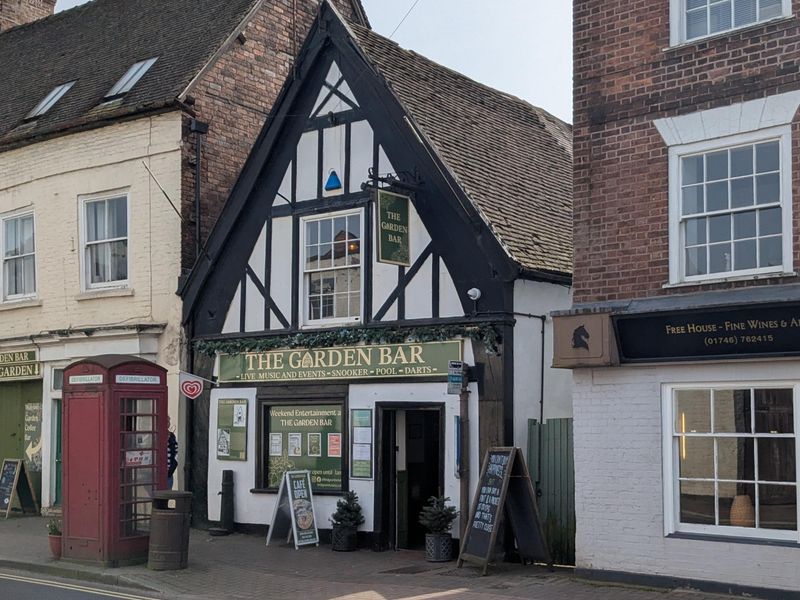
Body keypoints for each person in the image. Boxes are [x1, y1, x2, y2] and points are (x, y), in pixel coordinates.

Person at [167, 417, 178, 490]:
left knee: (166, 497)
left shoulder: (171, 437)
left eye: (168, 421)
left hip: (167, 475)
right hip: (154, 475)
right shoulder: (153, 436)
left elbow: (176, 455)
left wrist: (170, 472)